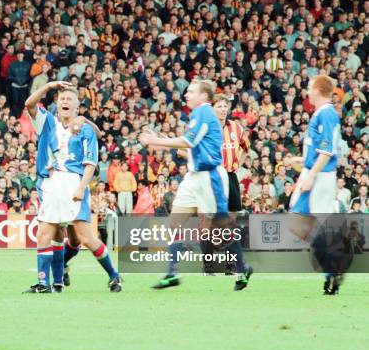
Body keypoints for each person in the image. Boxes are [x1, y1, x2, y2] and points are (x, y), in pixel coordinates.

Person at [139, 80, 240, 290]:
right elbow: (189, 143)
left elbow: (188, 141)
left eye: (191, 91)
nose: (186, 95)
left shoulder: (204, 112)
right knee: (175, 222)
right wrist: (159, 140)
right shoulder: (197, 114)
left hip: (210, 176)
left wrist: (156, 140)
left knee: (221, 225)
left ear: (203, 96)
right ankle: (172, 273)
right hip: (194, 176)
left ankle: (243, 265)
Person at [24, 81, 121, 293]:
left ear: (78, 106)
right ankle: (45, 283)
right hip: (51, 183)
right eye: (62, 99)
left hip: (73, 182)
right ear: (57, 104)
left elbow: (90, 162)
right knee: (46, 233)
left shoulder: (84, 129)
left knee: (81, 238)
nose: (65, 101)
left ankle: (114, 275)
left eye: (69, 99)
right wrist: (49, 85)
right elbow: (29, 104)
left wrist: (81, 187)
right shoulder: (47, 122)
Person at [286, 75, 343, 295]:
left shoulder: (327, 113)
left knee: (316, 222)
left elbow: (327, 151)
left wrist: (311, 175)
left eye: (310, 87)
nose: (307, 91)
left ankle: (332, 264)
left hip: (321, 176)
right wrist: (301, 162)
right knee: (296, 222)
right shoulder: (321, 113)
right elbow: (320, 150)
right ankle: (331, 264)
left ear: (318, 90)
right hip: (314, 172)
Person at [212, 94, 253, 289]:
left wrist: (238, 160)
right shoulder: (209, 128)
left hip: (230, 176)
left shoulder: (235, 127)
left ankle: (232, 263)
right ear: (212, 108)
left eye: (224, 106)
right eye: (218, 106)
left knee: (230, 221)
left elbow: (247, 146)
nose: (222, 109)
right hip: (213, 178)